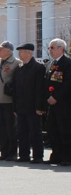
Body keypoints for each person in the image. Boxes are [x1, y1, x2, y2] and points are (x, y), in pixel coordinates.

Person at [12, 43, 45, 163]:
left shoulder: (38, 68)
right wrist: (15, 107)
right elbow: (16, 89)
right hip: (21, 106)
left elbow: (39, 89)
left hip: (33, 107)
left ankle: (38, 156)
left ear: (29, 53)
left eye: (21, 52)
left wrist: (39, 107)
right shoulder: (19, 68)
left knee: (35, 132)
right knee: (22, 132)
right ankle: (24, 155)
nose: (19, 54)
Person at [0, 41, 21, 161]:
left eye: (1, 49)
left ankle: (12, 152)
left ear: (9, 51)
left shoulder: (16, 63)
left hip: (9, 100)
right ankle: (4, 151)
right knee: (1, 127)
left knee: (11, 127)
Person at [44, 38, 71, 166]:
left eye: (52, 47)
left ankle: (67, 157)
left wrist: (56, 97)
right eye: (49, 48)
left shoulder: (68, 63)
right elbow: (48, 82)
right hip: (51, 103)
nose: (50, 50)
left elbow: (67, 84)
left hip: (64, 103)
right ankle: (56, 155)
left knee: (64, 130)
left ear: (61, 48)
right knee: (52, 130)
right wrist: (48, 96)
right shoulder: (50, 64)